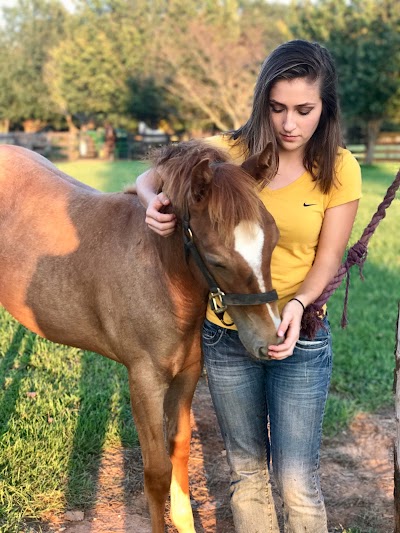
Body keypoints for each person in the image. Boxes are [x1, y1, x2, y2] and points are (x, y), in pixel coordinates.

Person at [135, 40, 361, 533]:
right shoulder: (229, 151)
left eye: (304, 110)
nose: (289, 124)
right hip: (227, 334)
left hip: (298, 331)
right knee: (246, 474)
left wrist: (299, 305)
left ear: (325, 109)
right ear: (263, 103)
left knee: (298, 480)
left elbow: (328, 258)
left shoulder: (340, 169)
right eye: (277, 108)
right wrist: (152, 201)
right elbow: (147, 177)